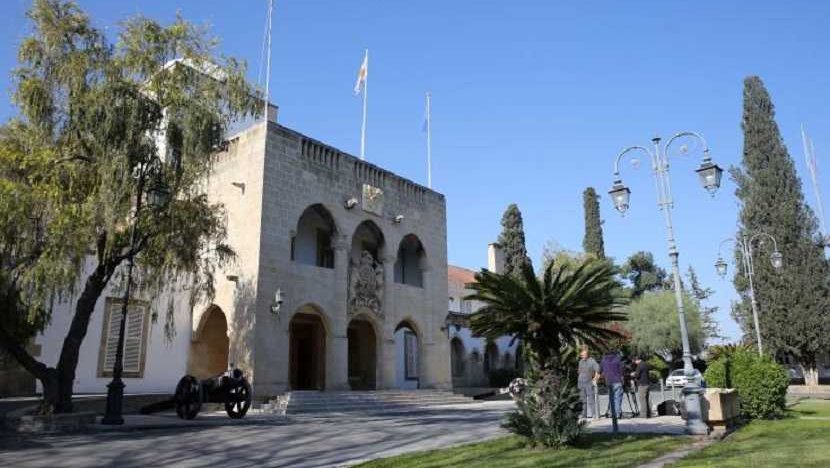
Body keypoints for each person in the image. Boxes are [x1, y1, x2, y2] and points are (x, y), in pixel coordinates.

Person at [600, 350, 624, 419]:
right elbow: (621, 372)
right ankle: (617, 414)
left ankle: (612, 413)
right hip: (617, 381)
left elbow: (600, 370)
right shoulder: (617, 360)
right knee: (618, 398)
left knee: (611, 398)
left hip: (609, 382)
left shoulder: (603, 361)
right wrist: (623, 381)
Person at [577, 347, 600, 419]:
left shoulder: (592, 361)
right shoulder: (580, 361)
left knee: (591, 399)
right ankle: (583, 414)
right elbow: (579, 371)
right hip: (581, 382)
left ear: (587, 355)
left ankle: (594, 414)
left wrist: (595, 378)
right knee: (582, 399)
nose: (582, 356)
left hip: (589, 382)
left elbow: (598, 369)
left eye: (583, 355)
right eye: (581, 355)